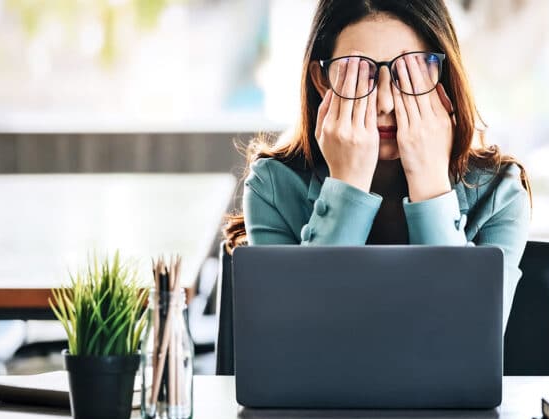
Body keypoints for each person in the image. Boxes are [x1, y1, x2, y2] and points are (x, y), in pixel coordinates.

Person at [224, 0, 532, 326]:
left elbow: (469, 334)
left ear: (442, 76)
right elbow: (294, 334)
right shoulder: (273, 186)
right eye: (359, 73)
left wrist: (431, 185)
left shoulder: (500, 191)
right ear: (322, 80)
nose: (385, 102)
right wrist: (346, 186)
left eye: (409, 72)